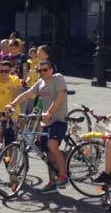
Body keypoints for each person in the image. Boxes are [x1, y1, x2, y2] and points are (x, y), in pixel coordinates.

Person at [7, 60, 70, 193]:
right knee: (48, 152)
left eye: (45, 70)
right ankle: (52, 182)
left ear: (51, 69)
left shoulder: (58, 78)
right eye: (39, 71)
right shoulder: (40, 83)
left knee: (52, 145)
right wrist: (12, 104)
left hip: (59, 119)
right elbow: (28, 94)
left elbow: (61, 96)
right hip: (46, 122)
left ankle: (63, 175)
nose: (42, 73)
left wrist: (50, 112)